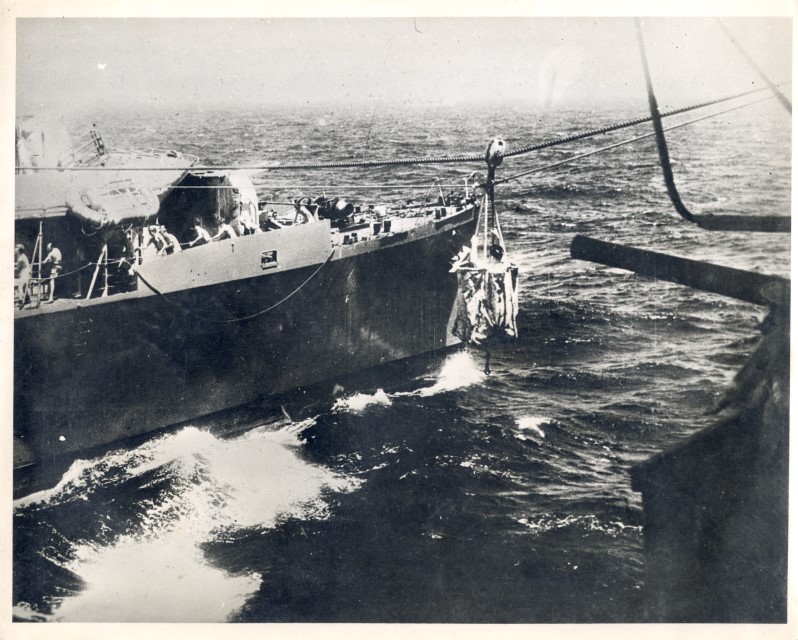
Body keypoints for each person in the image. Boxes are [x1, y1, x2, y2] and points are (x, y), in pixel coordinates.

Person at [14, 244, 31, 309]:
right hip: (26, 273)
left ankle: (20, 301)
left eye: (16, 248)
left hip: (25, 274)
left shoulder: (20, 258)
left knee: (20, 286)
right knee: (24, 287)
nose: (14, 250)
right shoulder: (22, 256)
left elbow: (18, 269)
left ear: (19, 250)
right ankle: (27, 299)